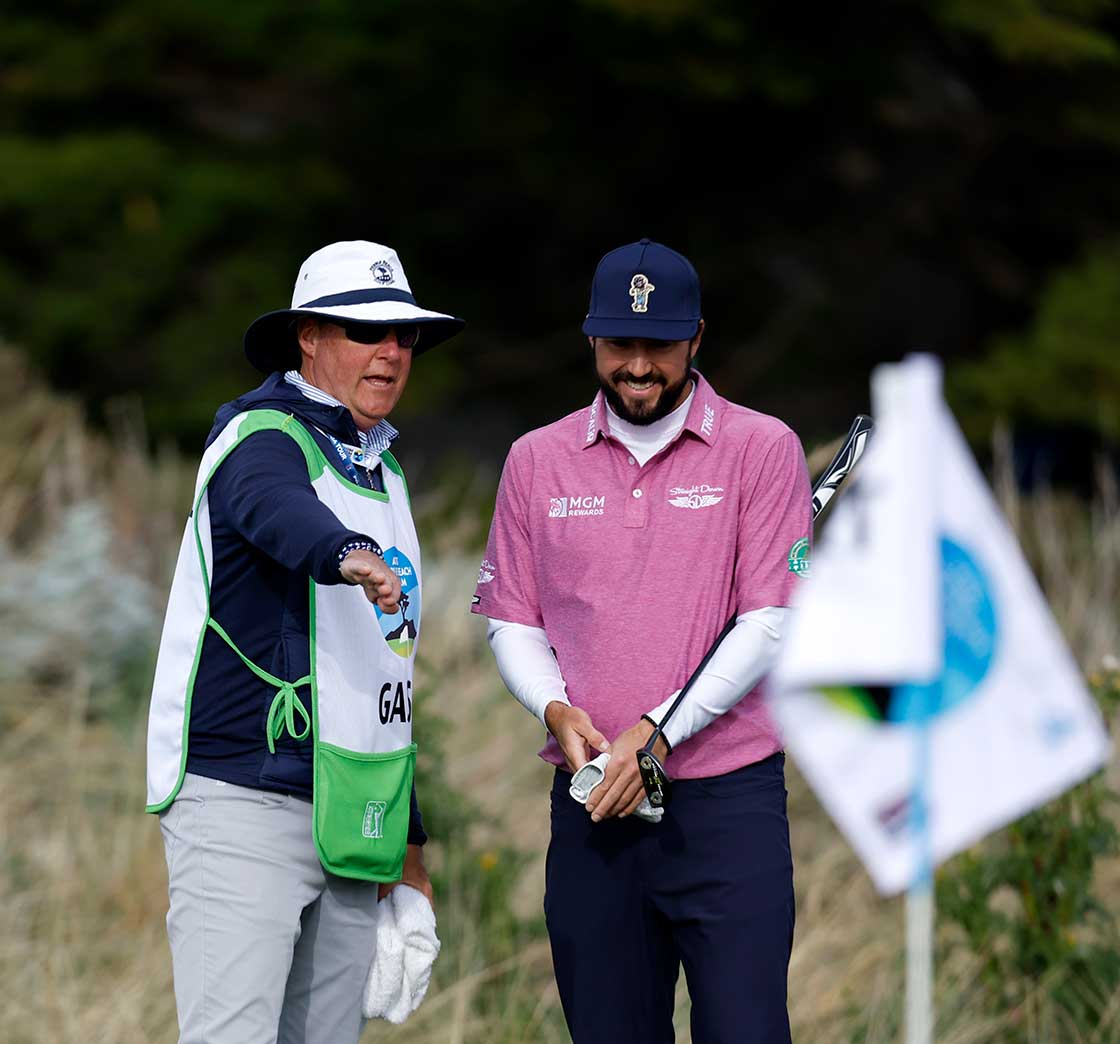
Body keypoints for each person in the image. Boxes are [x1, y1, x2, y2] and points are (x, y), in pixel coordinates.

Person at [471, 239, 811, 1043]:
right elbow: (512, 619)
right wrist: (555, 710)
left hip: (728, 810)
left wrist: (654, 735)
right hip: (593, 808)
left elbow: (768, 620)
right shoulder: (535, 460)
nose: (638, 366)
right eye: (620, 345)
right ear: (592, 340)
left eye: (659, 345)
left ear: (696, 339)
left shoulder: (763, 449)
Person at [144, 240, 461, 1042]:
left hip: (355, 814)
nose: (389, 351)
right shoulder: (261, 434)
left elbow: (384, 682)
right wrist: (343, 552)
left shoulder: (382, 473)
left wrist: (410, 852)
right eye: (364, 331)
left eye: (404, 336)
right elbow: (272, 505)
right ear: (308, 338)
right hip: (243, 797)